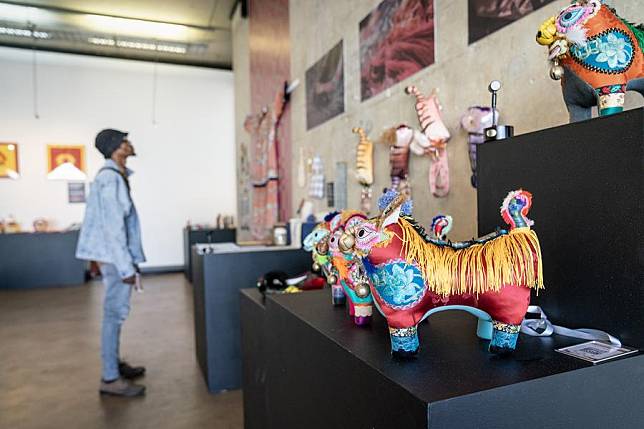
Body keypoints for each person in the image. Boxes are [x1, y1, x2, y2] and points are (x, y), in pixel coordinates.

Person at [76, 129, 146, 397]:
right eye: (125, 141)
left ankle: (113, 365)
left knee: (114, 314)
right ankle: (109, 378)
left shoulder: (115, 176)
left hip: (112, 255)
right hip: (114, 257)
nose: (130, 144)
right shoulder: (110, 179)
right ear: (117, 148)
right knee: (114, 315)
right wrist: (126, 267)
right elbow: (113, 228)